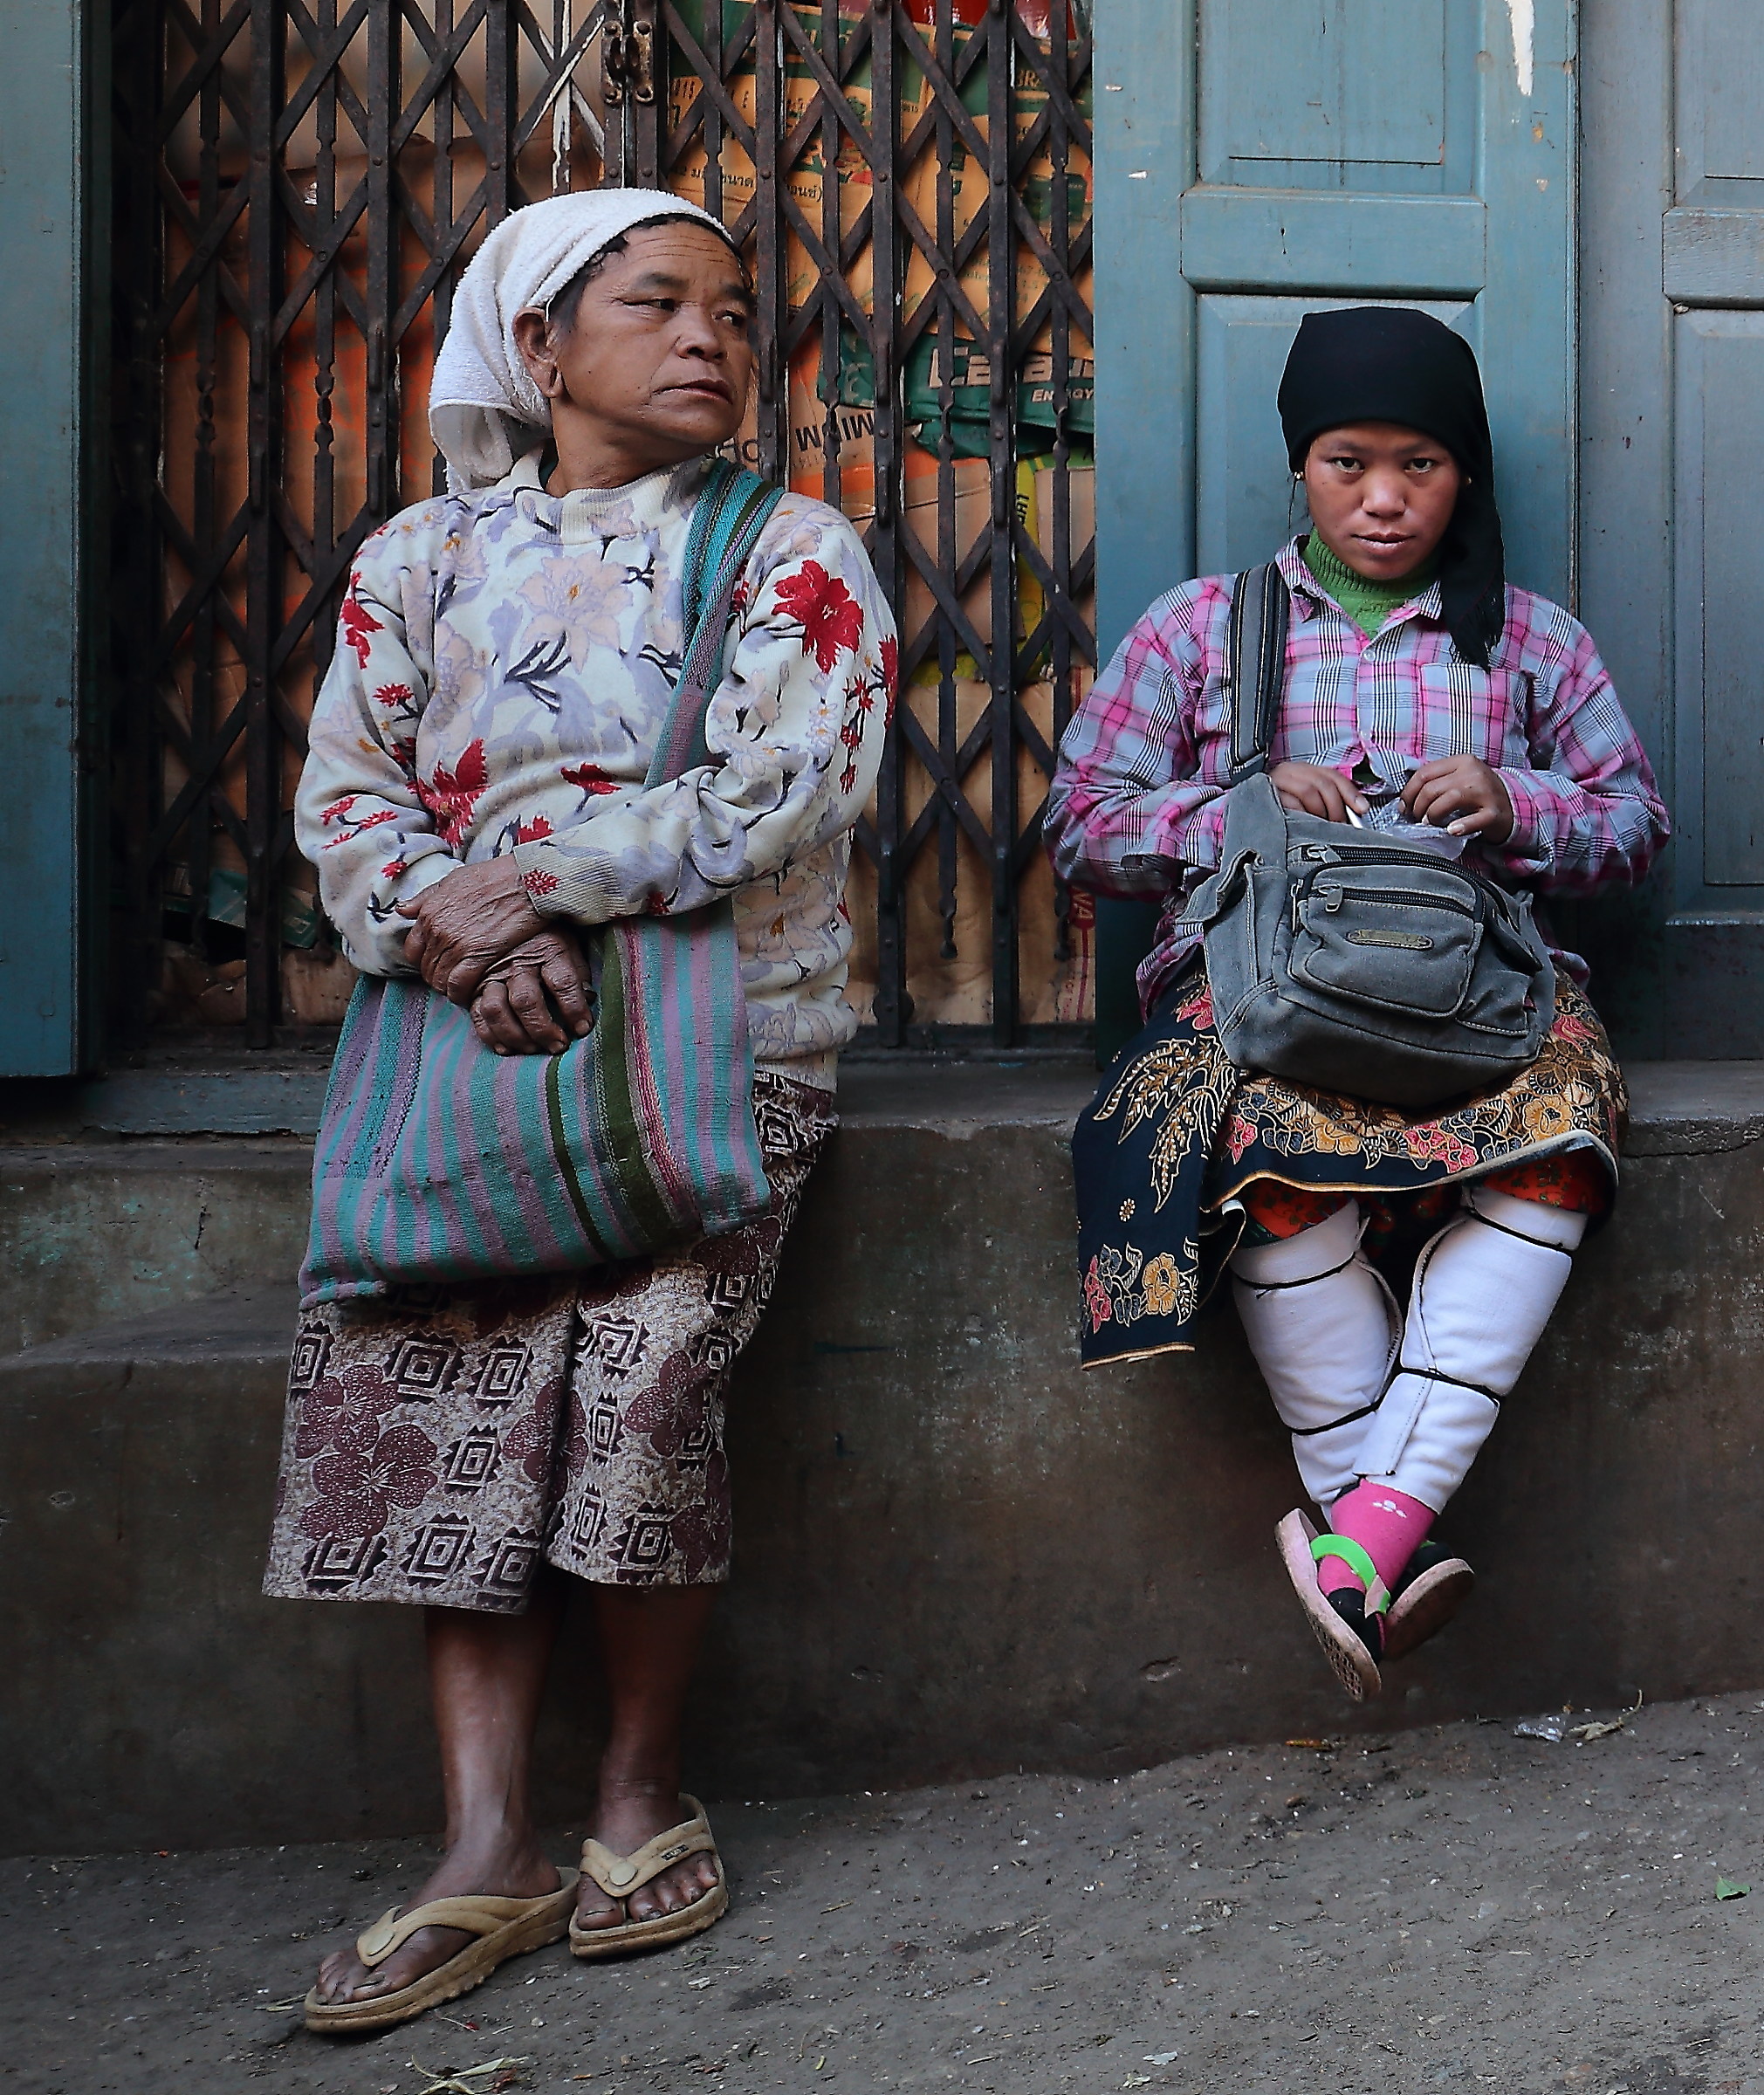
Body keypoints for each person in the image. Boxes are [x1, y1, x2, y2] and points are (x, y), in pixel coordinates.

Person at [264, 188, 895, 2032]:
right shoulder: (420, 558)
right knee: (452, 1405)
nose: (711, 336)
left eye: (736, 310)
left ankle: (635, 1793)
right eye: (659, 303)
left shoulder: (792, 549)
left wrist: (524, 893)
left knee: (640, 1400)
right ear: (537, 347)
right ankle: (485, 1844)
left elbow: (785, 784)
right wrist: (452, 935)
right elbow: (349, 795)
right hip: (467, 1046)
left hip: (719, 1052)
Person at [1045, 306, 1668, 1701]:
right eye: (1348, 463)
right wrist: (1238, 808)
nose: (1383, 498)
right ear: (1300, 467)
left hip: (1484, 999)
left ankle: (1357, 1535)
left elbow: (1634, 825)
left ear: (1463, 475)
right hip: (1253, 992)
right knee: (1254, 1148)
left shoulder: (1533, 643)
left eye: (1419, 466)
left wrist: (1517, 802)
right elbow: (1079, 824)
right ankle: (1377, 1529)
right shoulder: (1201, 630)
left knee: (1568, 1133)